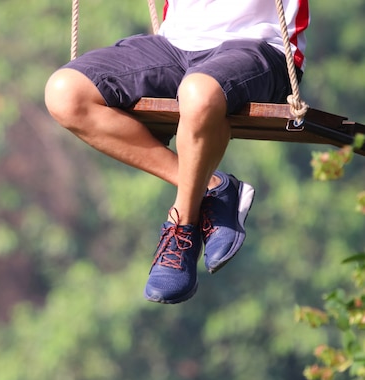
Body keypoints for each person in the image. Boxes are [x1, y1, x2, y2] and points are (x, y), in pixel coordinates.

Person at [44, 0, 309, 304]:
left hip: (258, 45)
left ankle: (182, 223)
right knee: (65, 93)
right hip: (174, 45)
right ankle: (212, 188)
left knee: (199, 94)